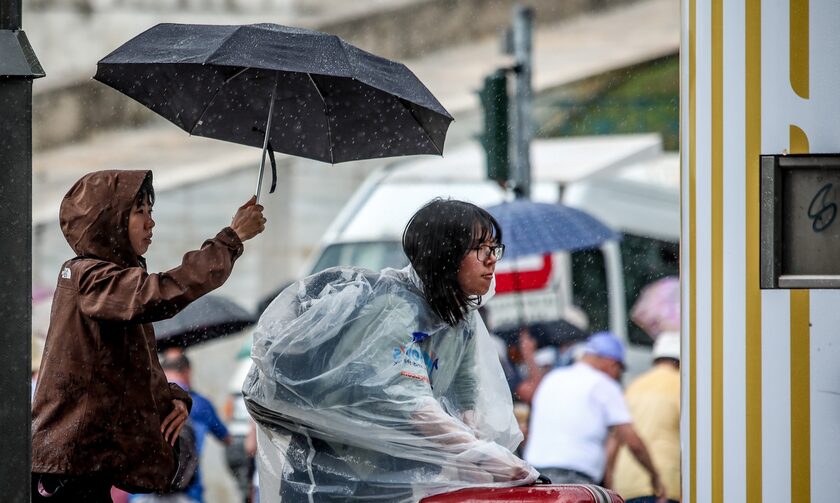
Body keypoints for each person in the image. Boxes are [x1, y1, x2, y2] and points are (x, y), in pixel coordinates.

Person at [243, 198, 539, 502]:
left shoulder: (460, 321)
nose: (492, 259)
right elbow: (411, 405)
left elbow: (463, 400)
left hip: (389, 480)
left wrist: (481, 461)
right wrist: (485, 457)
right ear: (446, 255)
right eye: (481, 249)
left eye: (494, 249)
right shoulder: (395, 310)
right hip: (330, 481)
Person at [31, 170, 265, 502]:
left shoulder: (112, 287)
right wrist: (232, 238)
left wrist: (173, 398)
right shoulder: (91, 278)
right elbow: (161, 293)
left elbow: (129, 369)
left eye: (150, 211)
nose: (150, 222)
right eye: (140, 211)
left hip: (87, 468)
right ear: (109, 220)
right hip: (65, 471)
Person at [524, 332, 666, 500]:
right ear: (612, 362)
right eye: (618, 369)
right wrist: (655, 476)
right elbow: (631, 440)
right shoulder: (603, 384)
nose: (617, 374)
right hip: (575, 480)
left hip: (535, 477)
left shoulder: (552, 378)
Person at [609, 331, 681, 503]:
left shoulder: (634, 386)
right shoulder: (682, 385)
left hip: (624, 486)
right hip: (663, 485)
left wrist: (610, 483)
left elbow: (614, 441)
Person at [155, 350, 233, 503]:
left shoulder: (147, 401)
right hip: (188, 492)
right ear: (187, 371)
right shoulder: (200, 403)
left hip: (144, 492)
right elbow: (226, 438)